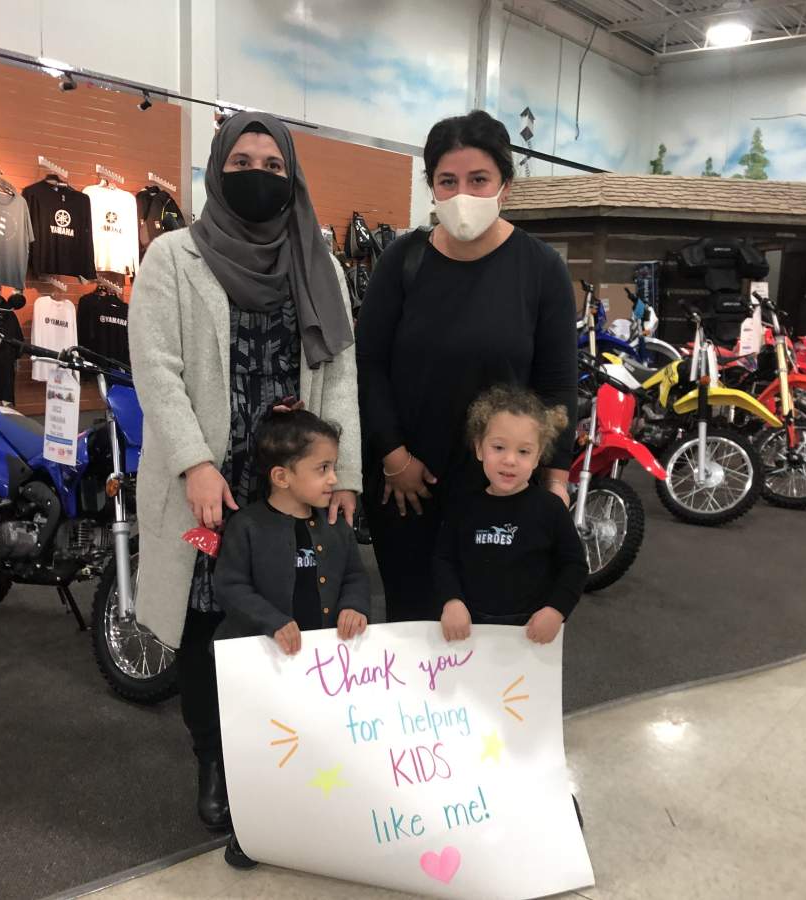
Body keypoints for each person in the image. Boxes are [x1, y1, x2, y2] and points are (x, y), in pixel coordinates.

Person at [128, 111, 361, 837]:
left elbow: (342, 374)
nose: (258, 174)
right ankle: (215, 762)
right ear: (217, 168)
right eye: (243, 161)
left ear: (291, 176)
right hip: (208, 487)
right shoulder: (173, 256)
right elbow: (157, 371)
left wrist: (344, 472)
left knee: (294, 616)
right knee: (212, 626)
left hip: (292, 488)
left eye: (272, 164)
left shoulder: (316, 266)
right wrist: (195, 464)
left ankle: (286, 757)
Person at [356, 109, 577, 624]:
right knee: (412, 621)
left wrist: (556, 480)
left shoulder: (541, 269)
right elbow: (368, 364)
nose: (462, 195)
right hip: (406, 488)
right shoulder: (402, 261)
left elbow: (558, 384)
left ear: (505, 185)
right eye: (447, 181)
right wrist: (394, 458)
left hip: (503, 489)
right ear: (431, 186)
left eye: (478, 180)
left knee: (494, 624)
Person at [213, 408, 371, 868]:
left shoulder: (337, 526)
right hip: (266, 672)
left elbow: (356, 578)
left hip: (322, 672)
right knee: (263, 752)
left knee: (320, 746)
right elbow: (229, 586)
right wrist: (270, 620)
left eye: (333, 467)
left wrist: (355, 607)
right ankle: (252, 831)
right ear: (281, 476)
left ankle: (320, 822)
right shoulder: (248, 527)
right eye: (322, 469)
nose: (333, 479)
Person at [434, 384, 586, 640]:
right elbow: (443, 559)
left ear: (538, 457)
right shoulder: (463, 506)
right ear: (480, 448)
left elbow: (574, 566)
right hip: (470, 631)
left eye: (524, 451)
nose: (510, 460)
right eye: (499, 447)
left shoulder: (550, 510)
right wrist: (451, 601)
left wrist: (556, 610)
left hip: (528, 634)